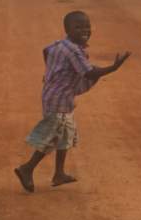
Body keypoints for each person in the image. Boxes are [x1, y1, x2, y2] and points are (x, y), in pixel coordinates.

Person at [14, 11, 130, 192]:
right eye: (78, 27)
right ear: (67, 29)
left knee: (66, 134)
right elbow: (88, 72)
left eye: (87, 26)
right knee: (52, 135)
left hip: (60, 97)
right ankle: (27, 168)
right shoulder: (73, 50)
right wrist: (113, 68)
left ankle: (59, 173)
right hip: (58, 99)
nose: (85, 30)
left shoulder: (61, 44)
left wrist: (52, 72)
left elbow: (46, 51)